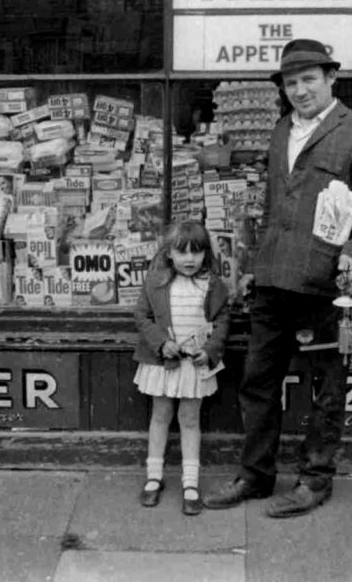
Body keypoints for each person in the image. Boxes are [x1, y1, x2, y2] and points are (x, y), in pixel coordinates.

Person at [203, 38, 352, 519]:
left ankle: (315, 479)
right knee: (257, 382)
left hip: (327, 285)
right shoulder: (280, 130)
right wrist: (252, 266)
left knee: (327, 388)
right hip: (272, 279)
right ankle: (256, 475)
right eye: (291, 82)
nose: (300, 90)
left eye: (310, 79)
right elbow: (274, 209)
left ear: (332, 78)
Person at [131, 219, 232, 516]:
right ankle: (154, 476)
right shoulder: (156, 281)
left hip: (195, 365)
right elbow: (142, 316)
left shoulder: (212, 285)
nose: (190, 259)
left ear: (205, 254)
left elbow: (223, 320)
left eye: (197, 252)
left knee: (189, 419)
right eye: (182, 252)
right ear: (169, 253)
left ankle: (190, 481)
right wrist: (161, 343)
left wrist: (211, 350)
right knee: (160, 415)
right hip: (164, 363)